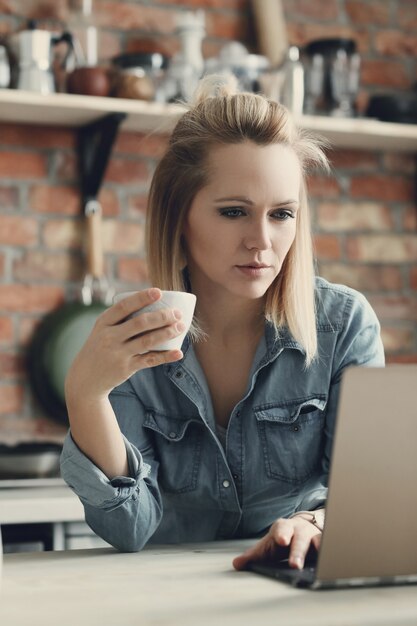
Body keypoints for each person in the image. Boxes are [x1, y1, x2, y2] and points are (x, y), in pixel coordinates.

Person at [61, 75, 384, 571]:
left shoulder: (343, 325)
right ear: (179, 216)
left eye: (282, 214)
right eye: (234, 211)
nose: (262, 241)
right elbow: (130, 527)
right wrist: (86, 396)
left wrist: (315, 524)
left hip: (293, 588)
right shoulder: (131, 340)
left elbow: (372, 504)